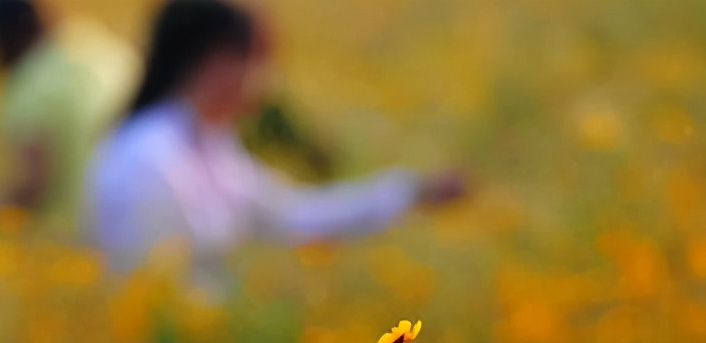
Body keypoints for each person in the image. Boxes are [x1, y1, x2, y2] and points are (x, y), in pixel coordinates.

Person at [83, 0, 466, 272]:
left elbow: (293, 214)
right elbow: (146, 283)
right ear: (218, 62)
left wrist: (410, 192)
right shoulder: (149, 158)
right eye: (257, 63)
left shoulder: (210, 145)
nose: (266, 84)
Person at [0, 0, 138, 219]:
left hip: (82, 223)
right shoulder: (98, 44)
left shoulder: (29, 84)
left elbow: (33, 185)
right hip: (145, 204)